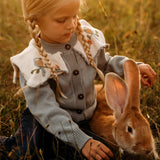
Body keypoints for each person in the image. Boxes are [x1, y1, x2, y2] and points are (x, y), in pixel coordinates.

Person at [0, 0, 156, 159]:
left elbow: (104, 64)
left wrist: (132, 66)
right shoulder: (34, 61)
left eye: (74, 16)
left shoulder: (84, 39)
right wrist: (82, 141)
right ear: (36, 19)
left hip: (85, 118)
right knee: (24, 148)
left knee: (102, 151)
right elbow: (48, 111)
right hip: (45, 119)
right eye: (61, 20)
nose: (71, 25)